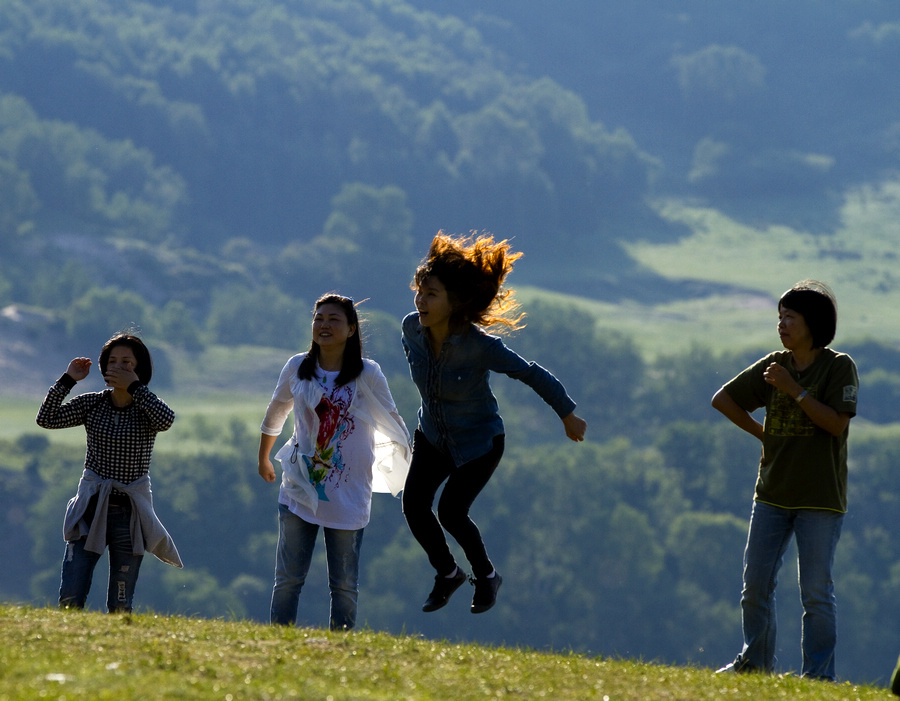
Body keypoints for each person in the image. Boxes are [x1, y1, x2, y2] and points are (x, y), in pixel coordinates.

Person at [401, 232, 587, 615]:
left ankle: (486, 576)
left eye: (432, 294)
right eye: (420, 290)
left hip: (479, 442)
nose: (421, 300)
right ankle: (448, 573)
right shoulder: (410, 330)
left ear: (455, 303)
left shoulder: (480, 345)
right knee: (414, 505)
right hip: (433, 436)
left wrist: (567, 414)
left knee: (451, 511)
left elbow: (530, 373)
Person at [711, 280, 858, 681]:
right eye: (780, 317)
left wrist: (794, 391)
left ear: (813, 323)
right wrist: (764, 435)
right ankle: (755, 663)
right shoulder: (773, 365)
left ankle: (818, 677)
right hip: (772, 494)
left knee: (815, 593)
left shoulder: (838, 367)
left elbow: (835, 424)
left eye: (790, 317)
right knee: (754, 586)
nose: (782, 324)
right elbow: (722, 400)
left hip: (820, 499)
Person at [258, 293, 411, 631]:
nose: (324, 325)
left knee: (343, 583)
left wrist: (408, 462)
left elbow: (391, 418)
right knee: (288, 578)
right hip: (300, 485)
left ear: (352, 329)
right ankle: (277, 639)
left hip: (349, 491)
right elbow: (276, 411)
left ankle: (341, 644)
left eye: (333, 319)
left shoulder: (367, 374)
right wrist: (264, 457)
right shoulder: (298, 366)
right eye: (318, 318)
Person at [36, 332, 181, 613]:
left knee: (121, 600)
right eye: (112, 361)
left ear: (139, 368)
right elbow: (46, 419)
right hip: (91, 505)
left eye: (127, 362)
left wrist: (136, 389)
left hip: (130, 511)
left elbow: (166, 420)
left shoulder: (146, 408)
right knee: (71, 592)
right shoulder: (93, 403)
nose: (118, 367)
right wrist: (68, 380)